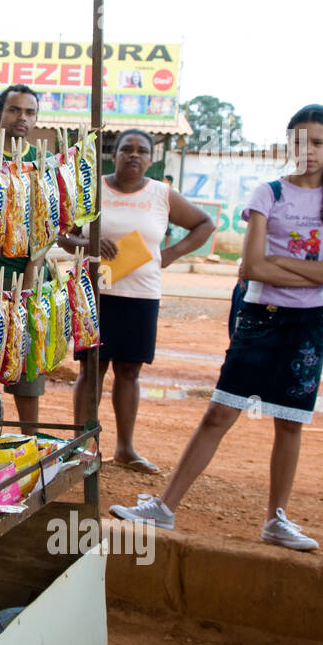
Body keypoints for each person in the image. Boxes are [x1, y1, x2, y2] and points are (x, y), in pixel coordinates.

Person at [111, 105, 323, 551]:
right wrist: (311, 267)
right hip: (260, 317)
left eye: (318, 142)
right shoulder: (268, 194)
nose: (308, 150)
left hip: (310, 322)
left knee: (289, 422)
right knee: (220, 412)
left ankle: (276, 520)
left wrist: (279, 263)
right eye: (299, 141)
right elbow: (251, 265)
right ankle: (164, 508)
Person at [65, 129, 214, 472]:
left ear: (150, 158)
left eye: (142, 151)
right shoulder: (92, 189)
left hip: (142, 293)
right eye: (126, 149)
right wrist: (87, 245)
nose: (134, 155)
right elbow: (63, 235)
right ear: (112, 155)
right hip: (97, 290)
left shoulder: (162, 194)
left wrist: (170, 255)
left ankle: (125, 448)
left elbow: (205, 224)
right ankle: (79, 444)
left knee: (129, 371)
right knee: (92, 368)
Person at [0, 85, 49, 425]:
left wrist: (33, 272)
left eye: (29, 112)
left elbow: (48, 225)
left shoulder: (43, 163)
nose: (22, 118)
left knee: (26, 363)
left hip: (28, 275)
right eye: (15, 110)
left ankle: (30, 440)